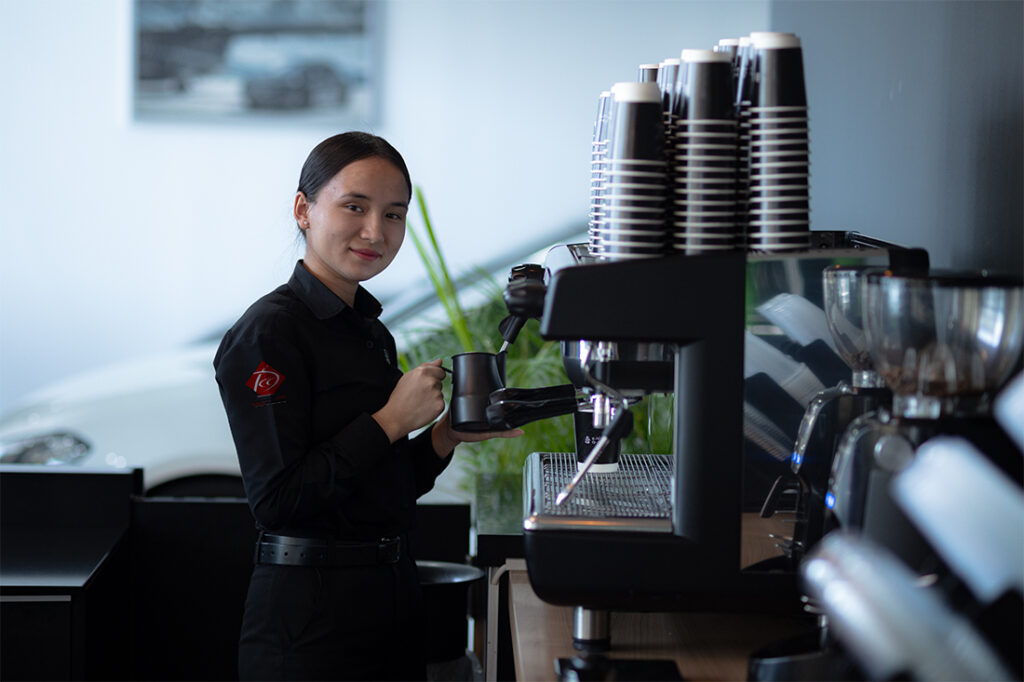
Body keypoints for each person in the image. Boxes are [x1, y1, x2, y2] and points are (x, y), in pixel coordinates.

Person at [213, 131, 522, 681]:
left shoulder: (371, 332)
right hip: (310, 623)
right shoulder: (269, 333)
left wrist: (444, 435)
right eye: (355, 207)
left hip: (389, 600)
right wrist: (390, 420)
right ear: (303, 210)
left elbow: (383, 487)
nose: (376, 232)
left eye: (394, 214)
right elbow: (279, 501)